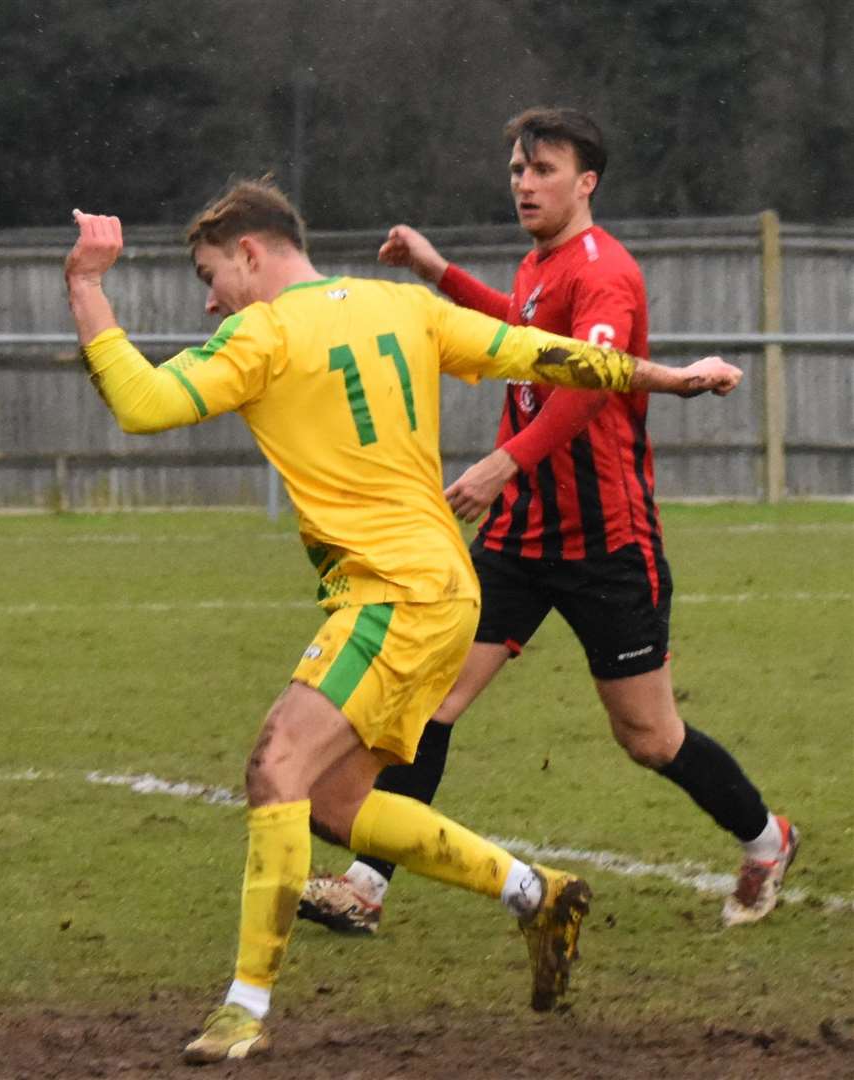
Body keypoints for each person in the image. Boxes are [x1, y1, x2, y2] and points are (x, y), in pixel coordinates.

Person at [61, 179, 744, 1064]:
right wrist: (670, 377)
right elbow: (547, 355)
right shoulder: (405, 309)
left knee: (276, 768)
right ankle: (536, 893)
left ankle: (243, 1008)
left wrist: (86, 287)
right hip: (442, 591)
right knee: (340, 806)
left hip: (394, 594)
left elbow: (141, 404)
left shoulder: (261, 333)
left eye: (209, 275)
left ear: (251, 254)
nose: (208, 299)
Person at [300, 107, 796, 937]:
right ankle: (364, 884)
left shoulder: (604, 272)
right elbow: (516, 331)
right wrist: (438, 270)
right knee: (429, 703)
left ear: (586, 181)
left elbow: (589, 382)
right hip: (518, 542)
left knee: (647, 735)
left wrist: (504, 461)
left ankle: (765, 838)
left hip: (606, 543)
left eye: (542, 170)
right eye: (516, 172)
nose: (524, 184)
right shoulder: (541, 265)